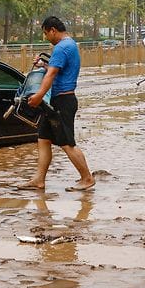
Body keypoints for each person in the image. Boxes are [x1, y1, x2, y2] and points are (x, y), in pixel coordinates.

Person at [19, 16, 95, 192]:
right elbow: (54, 71)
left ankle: (87, 178)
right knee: (43, 139)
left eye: (46, 33)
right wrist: (42, 65)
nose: (46, 37)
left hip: (63, 101)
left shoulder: (61, 48)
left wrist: (38, 95)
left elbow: (51, 75)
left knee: (66, 142)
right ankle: (39, 179)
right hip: (57, 100)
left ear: (53, 30)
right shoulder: (69, 45)